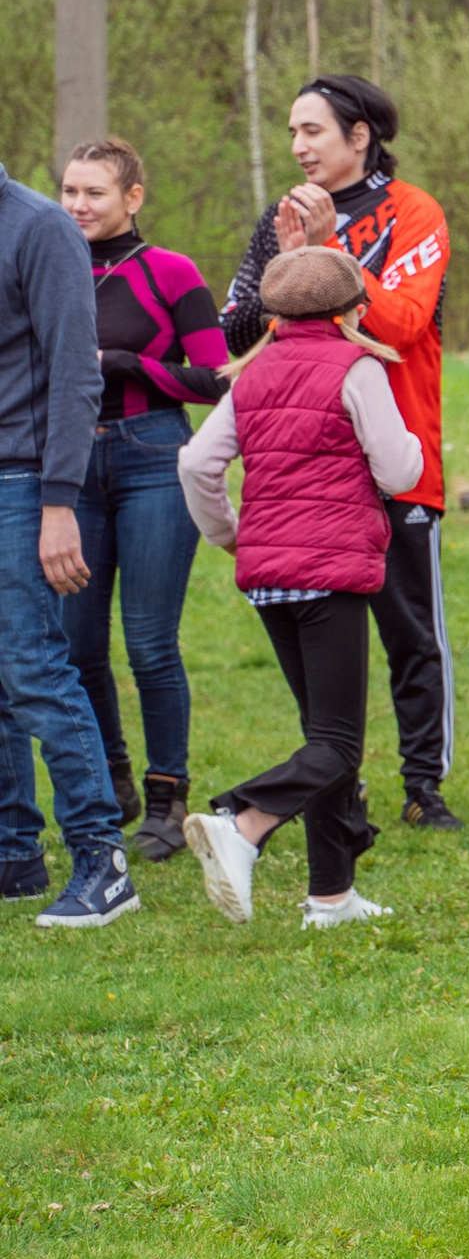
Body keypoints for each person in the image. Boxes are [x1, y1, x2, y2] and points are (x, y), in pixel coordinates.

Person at [220, 76, 459, 832]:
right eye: (292, 130)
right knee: (324, 647)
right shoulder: (278, 217)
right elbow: (236, 331)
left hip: (395, 454)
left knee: (410, 634)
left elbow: (406, 325)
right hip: (310, 465)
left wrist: (327, 256)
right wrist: (282, 275)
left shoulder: (412, 211)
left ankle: (424, 784)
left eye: (313, 130)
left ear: (360, 136)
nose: (298, 146)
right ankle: (336, 783)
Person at [176, 248, 422, 928]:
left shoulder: (251, 372)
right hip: (331, 574)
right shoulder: (357, 366)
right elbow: (398, 470)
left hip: (268, 578)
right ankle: (242, 820)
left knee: (321, 734)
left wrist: (229, 534)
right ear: (351, 310)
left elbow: (198, 463)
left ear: (275, 313)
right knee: (339, 744)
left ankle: (331, 896)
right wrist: (418, 445)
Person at [58, 139, 228, 864]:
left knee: (150, 642)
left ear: (133, 197)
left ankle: (167, 798)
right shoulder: (49, 265)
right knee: (75, 645)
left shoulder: (171, 271)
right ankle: (113, 783)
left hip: (154, 453)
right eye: (68, 191)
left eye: (94, 192)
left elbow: (218, 380)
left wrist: (130, 365)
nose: (77, 206)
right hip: (68, 462)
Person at [0, 158, 131, 929]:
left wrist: (59, 502)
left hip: (22, 481)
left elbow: (75, 378)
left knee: (34, 667)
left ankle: (101, 858)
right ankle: (14, 855)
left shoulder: (41, 226)